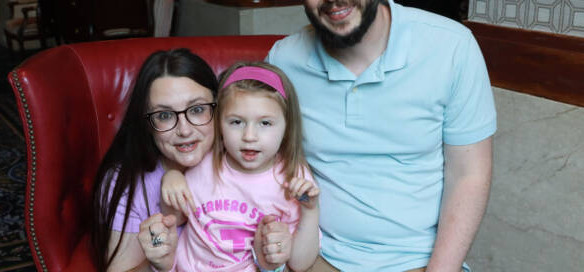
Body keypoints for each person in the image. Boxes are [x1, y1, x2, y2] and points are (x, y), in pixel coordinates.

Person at [266, 0, 497, 271]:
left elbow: (468, 175)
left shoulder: (452, 46)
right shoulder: (283, 60)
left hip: (419, 261)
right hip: (314, 256)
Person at [143, 62, 322, 272]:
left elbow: (300, 264)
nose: (249, 137)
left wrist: (310, 211)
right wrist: (172, 177)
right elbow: (174, 217)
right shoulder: (205, 162)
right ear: (219, 124)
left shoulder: (293, 178)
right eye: (236, 122)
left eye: (265, 123)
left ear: (286, 127)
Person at [90, 48, 219, 272]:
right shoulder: (124, 183)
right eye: (165, 115)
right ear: (147, 124)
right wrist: (158, 264)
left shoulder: (244, 161)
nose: (185, 130)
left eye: (197, 109)